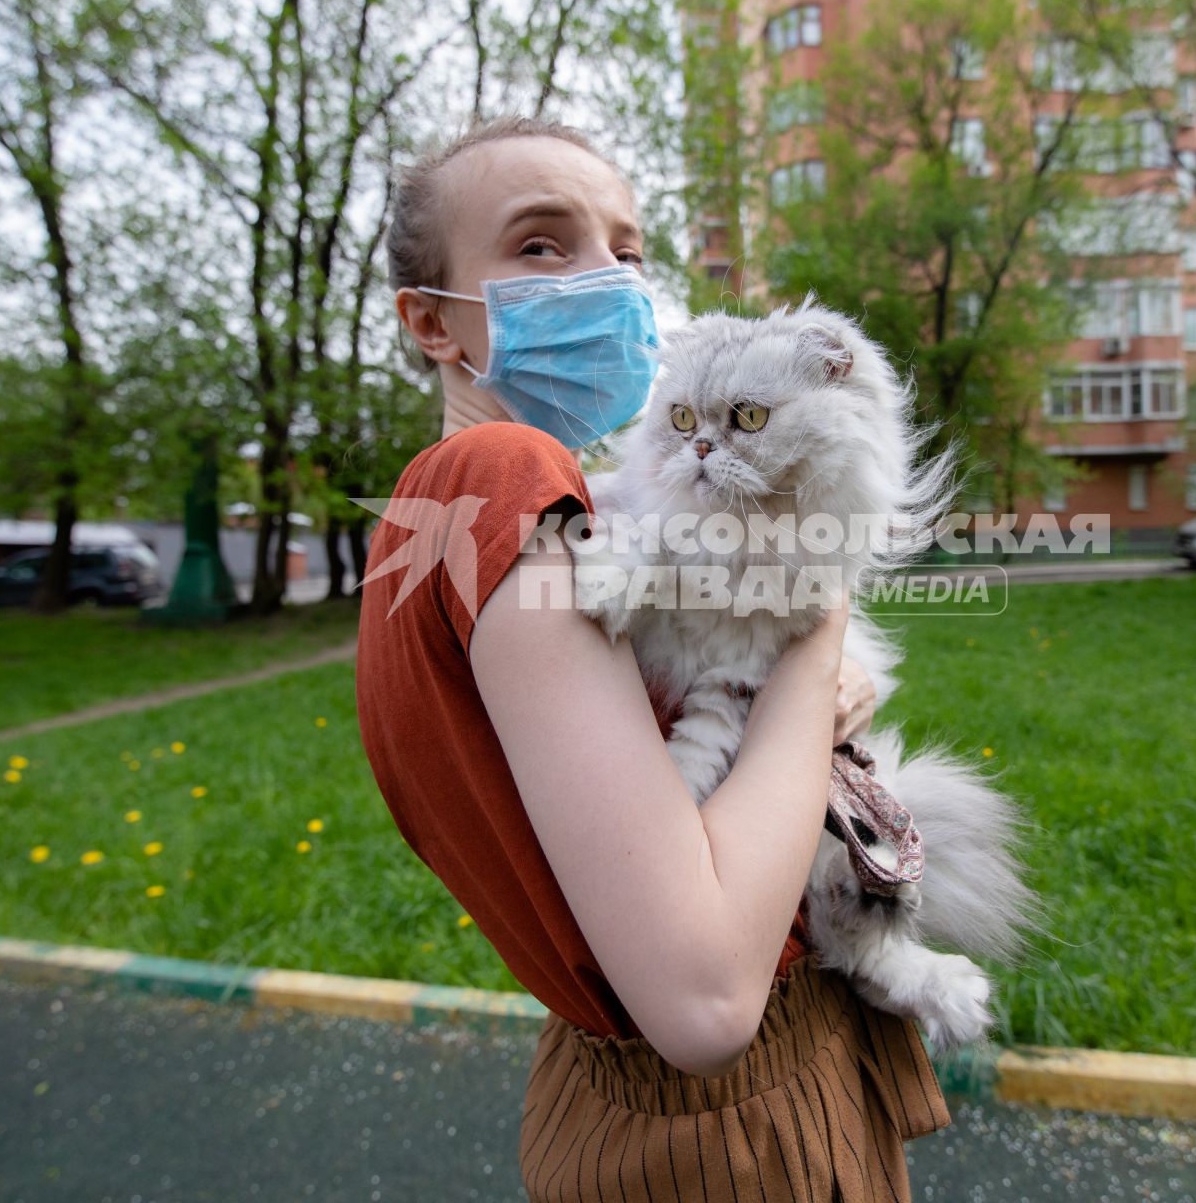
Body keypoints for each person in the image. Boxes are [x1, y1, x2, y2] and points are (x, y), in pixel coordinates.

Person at [356, 115, 949, 1200]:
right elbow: (705, 1000)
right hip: (736, 1134)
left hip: (619, 1091)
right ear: (434, 321)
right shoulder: (503, 472)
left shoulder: (456, 509)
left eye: (627, 250)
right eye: (542, 245)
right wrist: (817, 621)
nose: (612, 281)